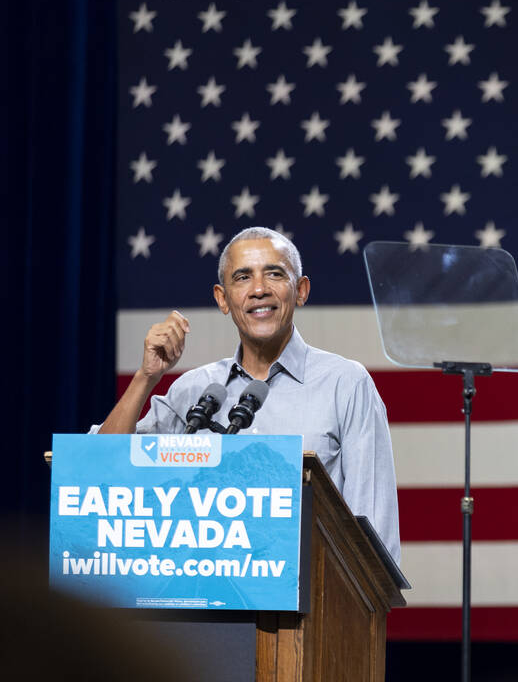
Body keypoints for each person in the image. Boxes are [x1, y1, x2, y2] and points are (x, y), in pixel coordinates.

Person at [96, 226, 401, 567]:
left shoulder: (346, 384)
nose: (259, 290)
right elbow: (100, 471)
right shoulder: (194, 391)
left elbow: (373, 532)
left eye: (274, 274)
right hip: (201, 600)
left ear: (300, 291)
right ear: (222, 299)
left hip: (310, 605)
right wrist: (145, 377)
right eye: (242, 277)